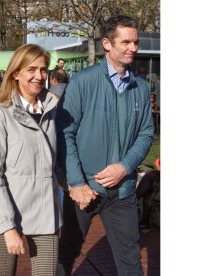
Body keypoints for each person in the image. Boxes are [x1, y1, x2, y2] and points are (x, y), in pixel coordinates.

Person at [55, 15, 154, 275]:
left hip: (122, 192)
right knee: (67, 253)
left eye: (136, 41)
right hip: (84, 190)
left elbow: (146, 134)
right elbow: (64, 133)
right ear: (107, 44)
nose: (134, 47)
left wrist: (124, 167)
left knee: (131, 262)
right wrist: (76, 183)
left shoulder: (141, 88)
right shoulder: (82, 81)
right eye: (127, 42)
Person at [0, 44, 62, 276]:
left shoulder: (53, 108)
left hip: (45, 210)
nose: (39, 76)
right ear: (16, 73)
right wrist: (7, 227)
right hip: (6, 209)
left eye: (43, 70)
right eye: (31, 69)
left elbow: (58, 160)